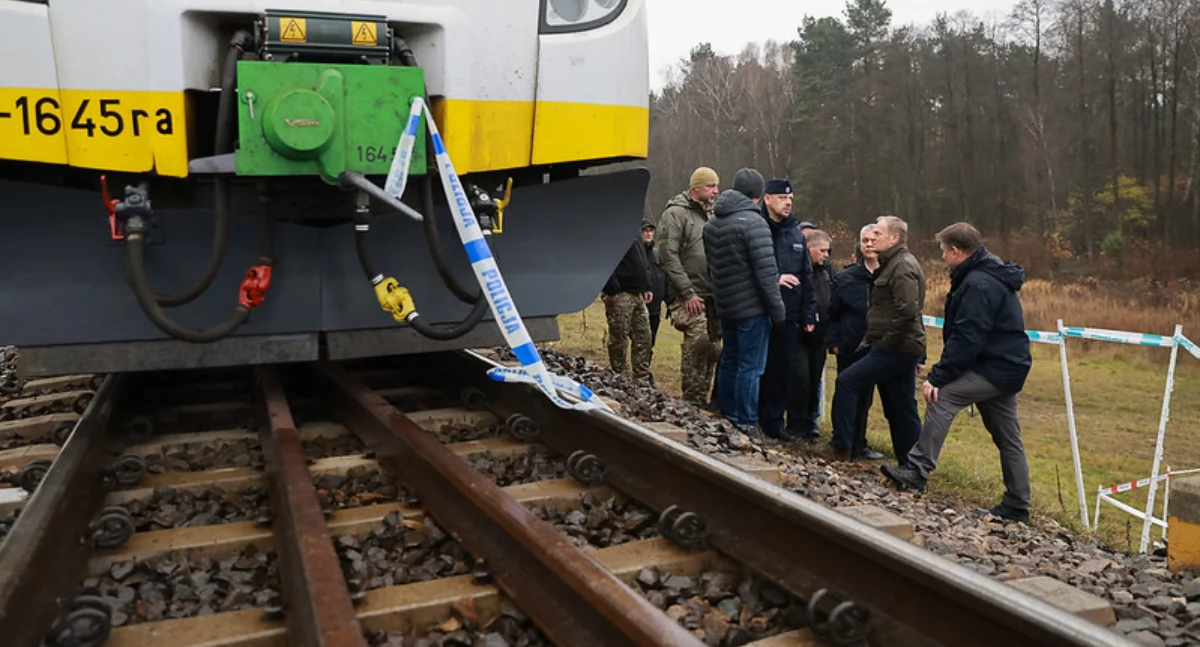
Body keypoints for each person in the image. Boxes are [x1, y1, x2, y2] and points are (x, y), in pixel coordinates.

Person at [882, 223, 1033, 523]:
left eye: (943, 251)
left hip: (995, 366)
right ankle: (1017, 504)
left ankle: (916, 470)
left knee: (942, 396)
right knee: (1008, 437)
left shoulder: (978, 283)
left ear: (955, 251)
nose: (941, 257)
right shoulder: (985, 274)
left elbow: (968, 336)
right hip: (1004, 364)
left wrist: (938, 376)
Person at [828, 214, 925, 463]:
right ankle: (911, 464)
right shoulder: (891, 263)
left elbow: (908, 312)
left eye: (879, 234)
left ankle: (842, 449)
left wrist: (885, 343)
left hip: (895, 347)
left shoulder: (902, 266)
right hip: (897, 346)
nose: (872, 240)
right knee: (899, 407)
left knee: (848, 382)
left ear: (894, 238)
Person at [703, 168, 786, 433]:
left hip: (726, 304)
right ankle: (746, 421)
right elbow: (766, 273)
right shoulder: (754, 223)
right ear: (759, 194)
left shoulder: (713, 223)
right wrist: (778, 311)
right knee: (751, 367)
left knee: (729, 359)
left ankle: (726, 412)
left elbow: (711, 267)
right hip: (752, 307)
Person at [757, 178, 816, 442]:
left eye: (790, 199)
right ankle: (751, 418)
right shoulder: (757, 227)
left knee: (783, 371)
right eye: (782, 198)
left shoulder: (795, 232)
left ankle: (774, 423)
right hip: (760, 311)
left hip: (789, 315)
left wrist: (808, 312)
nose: (788, 202)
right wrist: (774, 279)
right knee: (759, 368)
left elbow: (806, 274)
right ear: (767, 198)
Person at [658, 167, 722, 406]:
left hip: (712, 295)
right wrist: (687, 293)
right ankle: (692, 402)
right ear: (696, 187)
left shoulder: (713, 214)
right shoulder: (675, 214)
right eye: (710, 186)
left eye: (716, 186)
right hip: (688, 295)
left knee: (713, 350)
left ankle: (702, 402)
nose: (715, 191)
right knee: (697, 345)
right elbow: (668, 256)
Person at [826, 225, 885, 460]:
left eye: (873, 240)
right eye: (864, 240)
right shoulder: (846, 277)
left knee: (866, 399)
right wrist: (834, 341)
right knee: (846, 394)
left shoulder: (892, 275)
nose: (869, 244)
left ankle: (860, 443)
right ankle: (841, 442)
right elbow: (833, 313)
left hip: (878, 347)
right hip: (850, 345)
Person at [791, 229, 833, 439]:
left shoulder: (825, 272)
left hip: (821, 337)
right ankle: (796, 424)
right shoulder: (799, 271)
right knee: (801, 379)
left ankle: (810, 423)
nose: (826, 255)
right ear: (810, 248)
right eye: (823, 250)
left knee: (815, 379)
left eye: (828, 251)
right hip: (800, 335)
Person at [601, 223, 654, 382]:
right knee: (619, 337)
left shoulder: (634, 231)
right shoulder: (611, 230)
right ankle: (620, 376)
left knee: (644, 336)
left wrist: (646, 286)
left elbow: (642, 261)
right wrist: (611, 289)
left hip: (637, 293)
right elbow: (604, 259)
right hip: (620, 293)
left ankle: (641, 377)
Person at [643, 219, 668, 352]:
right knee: (639, 340)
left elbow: (664, 278)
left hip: (655, 307)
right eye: (645, 231)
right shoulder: (635, 254)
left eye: (650, 231)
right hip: (639, 305)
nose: (648, 234)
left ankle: (645, 367)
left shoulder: (658, 254)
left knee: (651, 340)